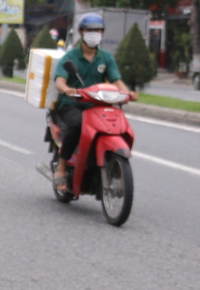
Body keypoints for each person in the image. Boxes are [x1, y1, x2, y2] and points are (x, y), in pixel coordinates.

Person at [52, 13, 139, 193]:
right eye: (90, 30)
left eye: (98, 30)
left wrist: (127, 92)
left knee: (116, 126)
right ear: (82, 32)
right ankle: (61, 166)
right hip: (72, 104)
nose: (94, 34)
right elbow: (60, 80)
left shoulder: (106, 58)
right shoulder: (71, 57)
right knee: (77, 125)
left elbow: (116, 80)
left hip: (97, 105)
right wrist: (67, 89)